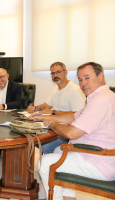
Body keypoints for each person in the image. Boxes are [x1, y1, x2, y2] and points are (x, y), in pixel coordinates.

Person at [31, 62, 115, 200]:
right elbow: (73, 116)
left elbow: (71, 133)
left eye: (87, 78)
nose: (83, 83)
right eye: (81, 79)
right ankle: (67, 198)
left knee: (44, 163)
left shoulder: (101, 100)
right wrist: (44, 116)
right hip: (95, 154)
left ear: (101, 76)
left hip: (99, 161)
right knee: (59, 151)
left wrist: (52, 124)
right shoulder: (100, 97)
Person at [28, 62, 86, 153]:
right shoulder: (55, 89)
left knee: (43, 145)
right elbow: (45, 106)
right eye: (53, 73)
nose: (55, 75)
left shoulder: (75, 90)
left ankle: (51, 163)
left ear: (66, 72)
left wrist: (53, 112)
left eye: (58, 72)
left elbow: (77, 116)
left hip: (67, 131)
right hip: (54, 127)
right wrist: (34, 108)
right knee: (31, 137)